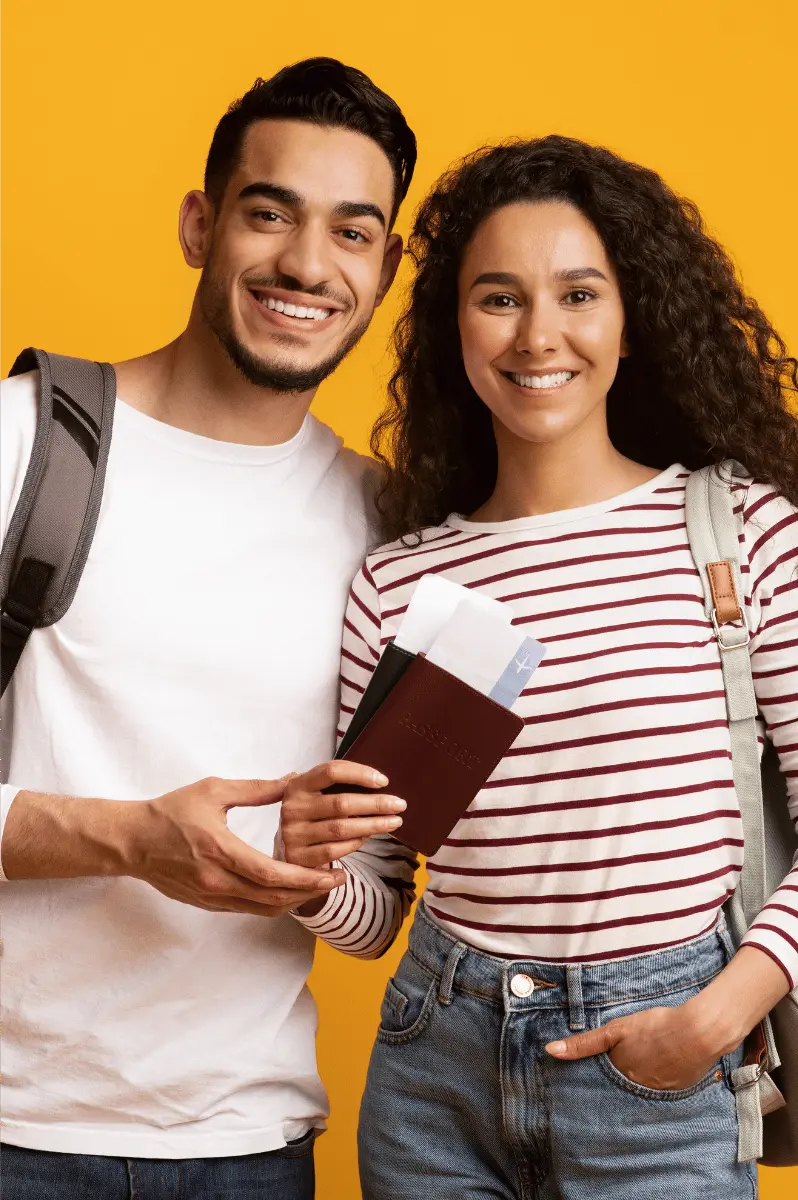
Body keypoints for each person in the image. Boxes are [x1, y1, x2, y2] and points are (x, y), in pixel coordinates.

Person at [302, 136, 798, 1197]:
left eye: (578, 293)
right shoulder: (398, 584)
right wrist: (299, 874)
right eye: (498, 298)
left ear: (631, 320)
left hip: (664, 1064)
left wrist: (720, 1014)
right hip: (436, 1064)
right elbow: (377, 906)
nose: (539, 336)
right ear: (455, 326)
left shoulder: (736, 531)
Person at [0, 57, 417, 1200]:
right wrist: (130, 837)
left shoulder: (387, 531)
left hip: (253, 1152)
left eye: (352, 232)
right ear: (201, 225)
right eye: (269, 213)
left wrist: (308, 879)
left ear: (385, 269)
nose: (305, 264)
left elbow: (377, 911)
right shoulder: (20, 447)